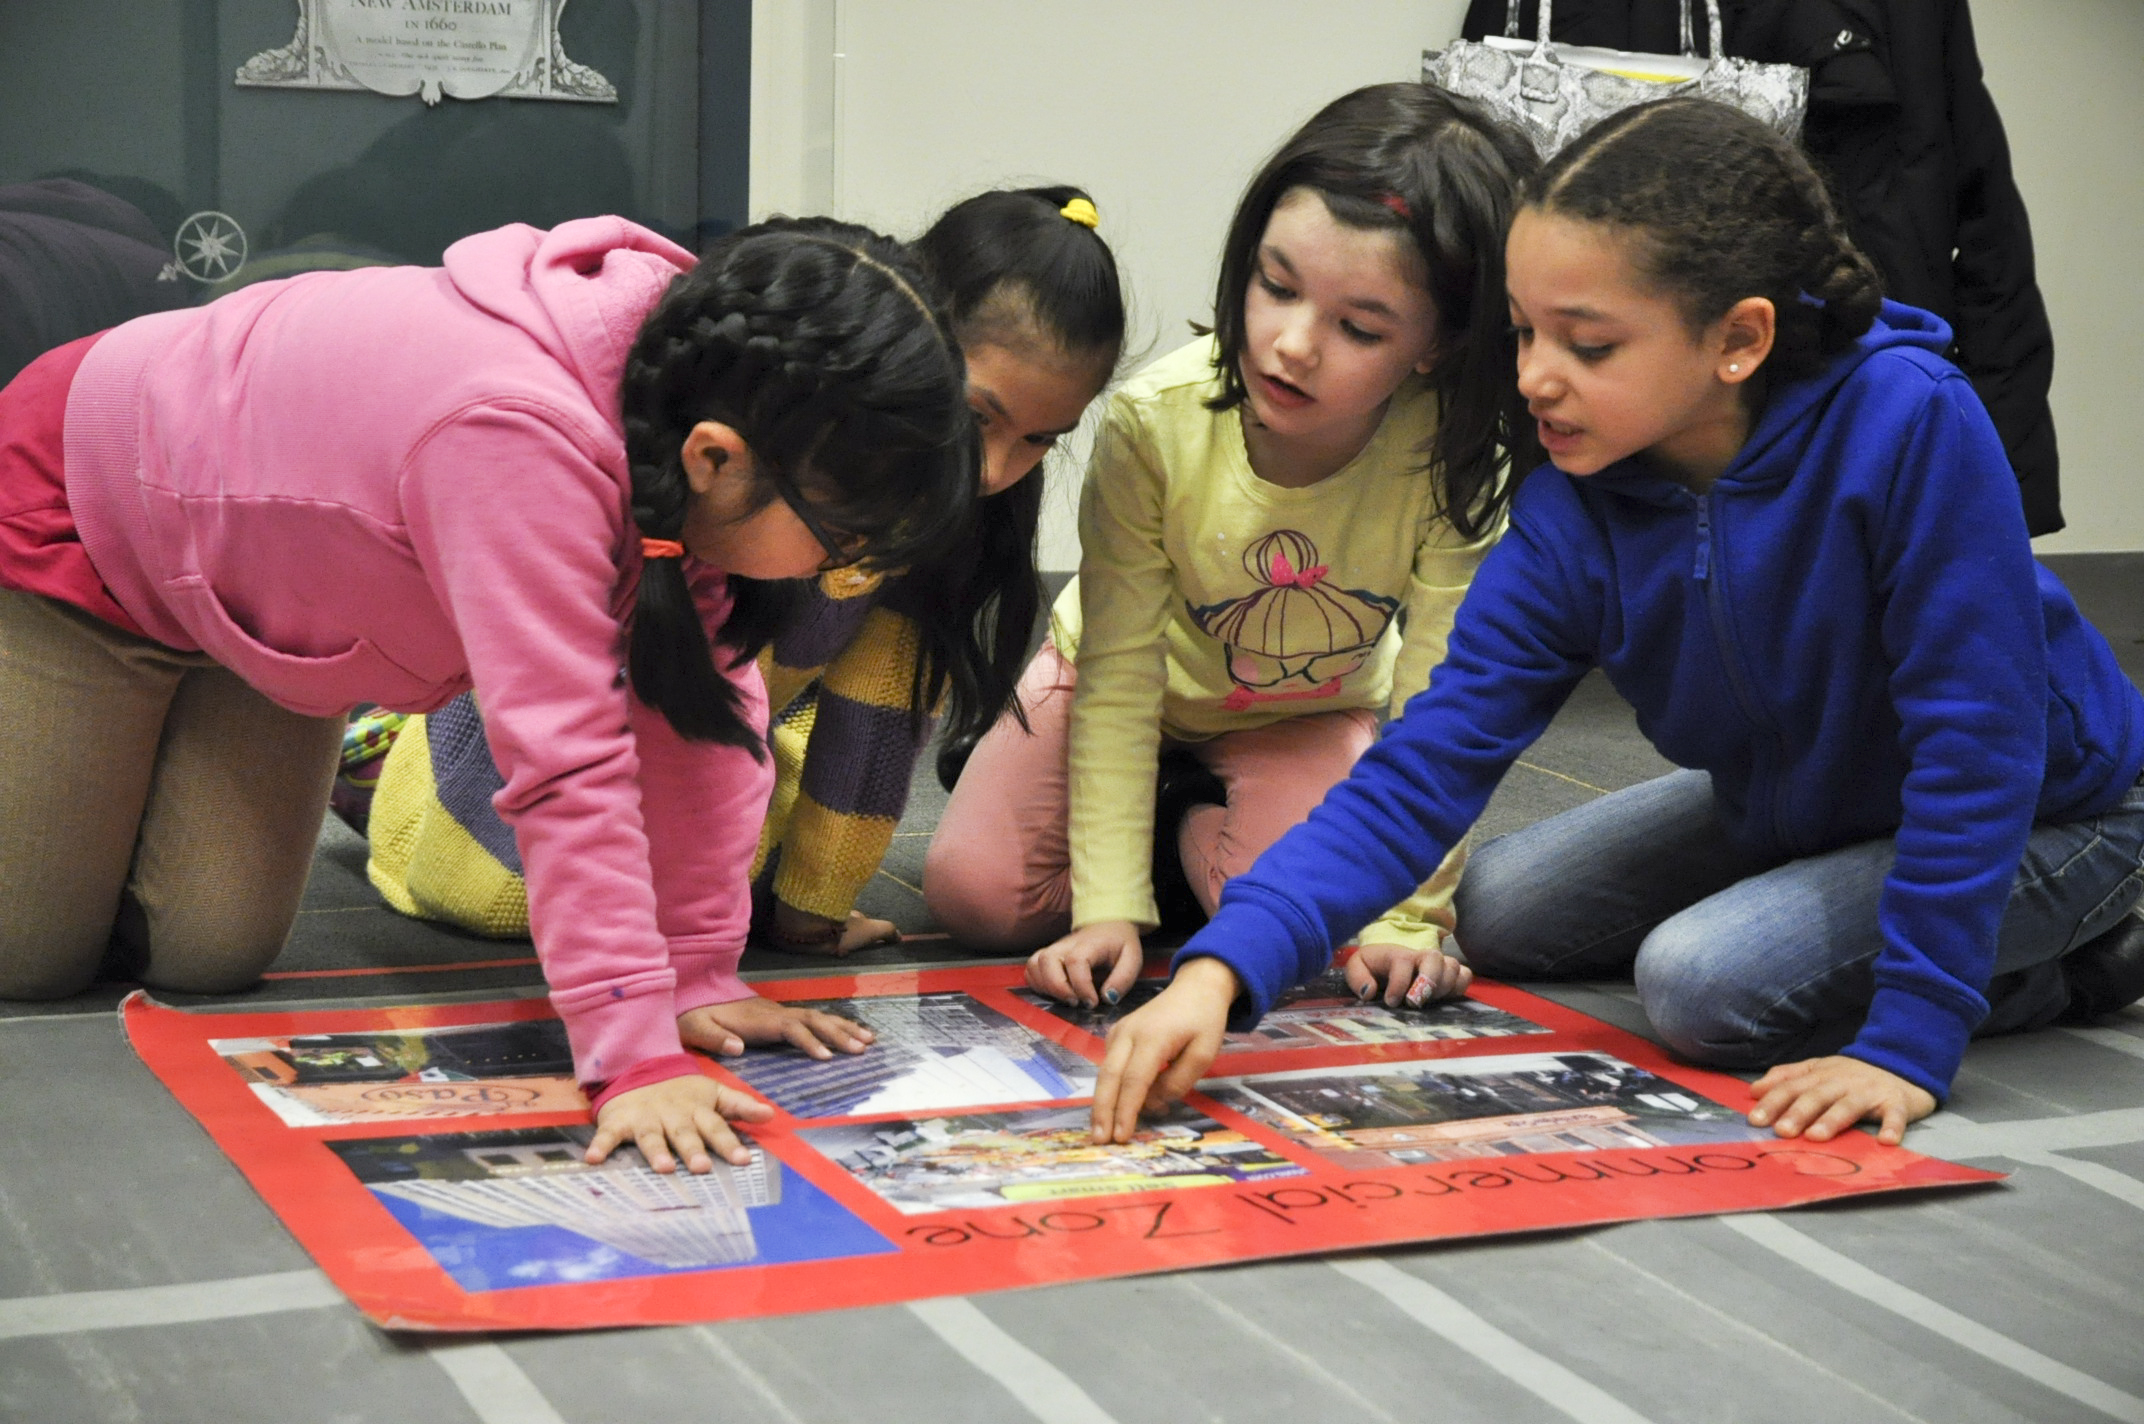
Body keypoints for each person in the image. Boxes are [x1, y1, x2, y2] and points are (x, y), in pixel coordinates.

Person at [1085, 96, 2144, 1150]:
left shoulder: (1908, 422)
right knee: (1494, 905)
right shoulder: (1571, 501)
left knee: (1702, 985)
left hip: (2057, 808)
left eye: (1585, 344)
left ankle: (2098, 953)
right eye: (1521, 331)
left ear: (1736, 340)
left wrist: (1906, 1040)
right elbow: (1424, 766)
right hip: (1807, 794)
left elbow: (1975, 750)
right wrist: (1220, 971)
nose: (1533, 376)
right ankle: (1839, 888)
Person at [0, 214, 977, 1175]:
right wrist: (631, 1057)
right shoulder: (516, 429)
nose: (839, 568)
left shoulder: (709, 415)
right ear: (715, 459)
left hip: (267, 608)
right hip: (88, 520)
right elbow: (567, 765)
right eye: (843, 538)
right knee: (31, 958)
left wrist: (693, 977)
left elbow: (706, 730)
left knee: (205, 955)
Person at [362, 186, 1126, 955]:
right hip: (566, 721)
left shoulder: (935, 530)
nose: (994, 471)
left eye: (1040, 441)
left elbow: (874, 720)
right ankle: (391, 762)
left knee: (726, 835)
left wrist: (812, 910)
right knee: (511, 894)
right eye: (977, 417)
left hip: (713, 741)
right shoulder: (738, 456)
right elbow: (585, 704)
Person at [925, 84, 1537, 1009]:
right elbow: (1123, 670)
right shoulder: (1154, 421)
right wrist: (1109, 908)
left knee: (1324, 934)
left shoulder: (1452, 455)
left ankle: (1178, 819)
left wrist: (1411, 918)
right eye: (1275, 285)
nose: (1289, 344)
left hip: (1302, 710)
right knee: (979, 899)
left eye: (1359, 327)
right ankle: (1123, 818)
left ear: (1439, 346)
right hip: (1110, 680)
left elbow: (1439, 696)